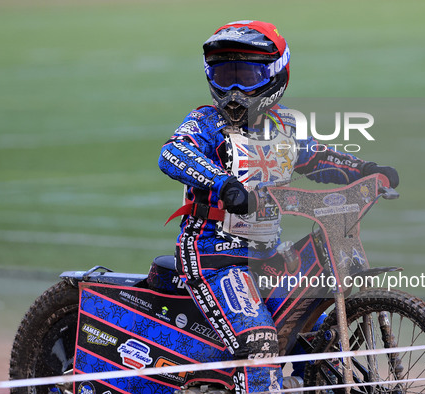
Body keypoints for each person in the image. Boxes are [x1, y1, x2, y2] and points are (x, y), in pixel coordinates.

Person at [158, 20, 399, 393]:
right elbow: (173, 153)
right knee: (260, 344)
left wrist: (366, 171)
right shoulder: (205, 121)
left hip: (266, 256)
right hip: (213, 258)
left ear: (276, 74)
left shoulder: (285, 125)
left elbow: (317, 159)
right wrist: (224, 184)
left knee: (320, 330)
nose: (235, 90)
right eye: (225, 75)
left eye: (247, 75)